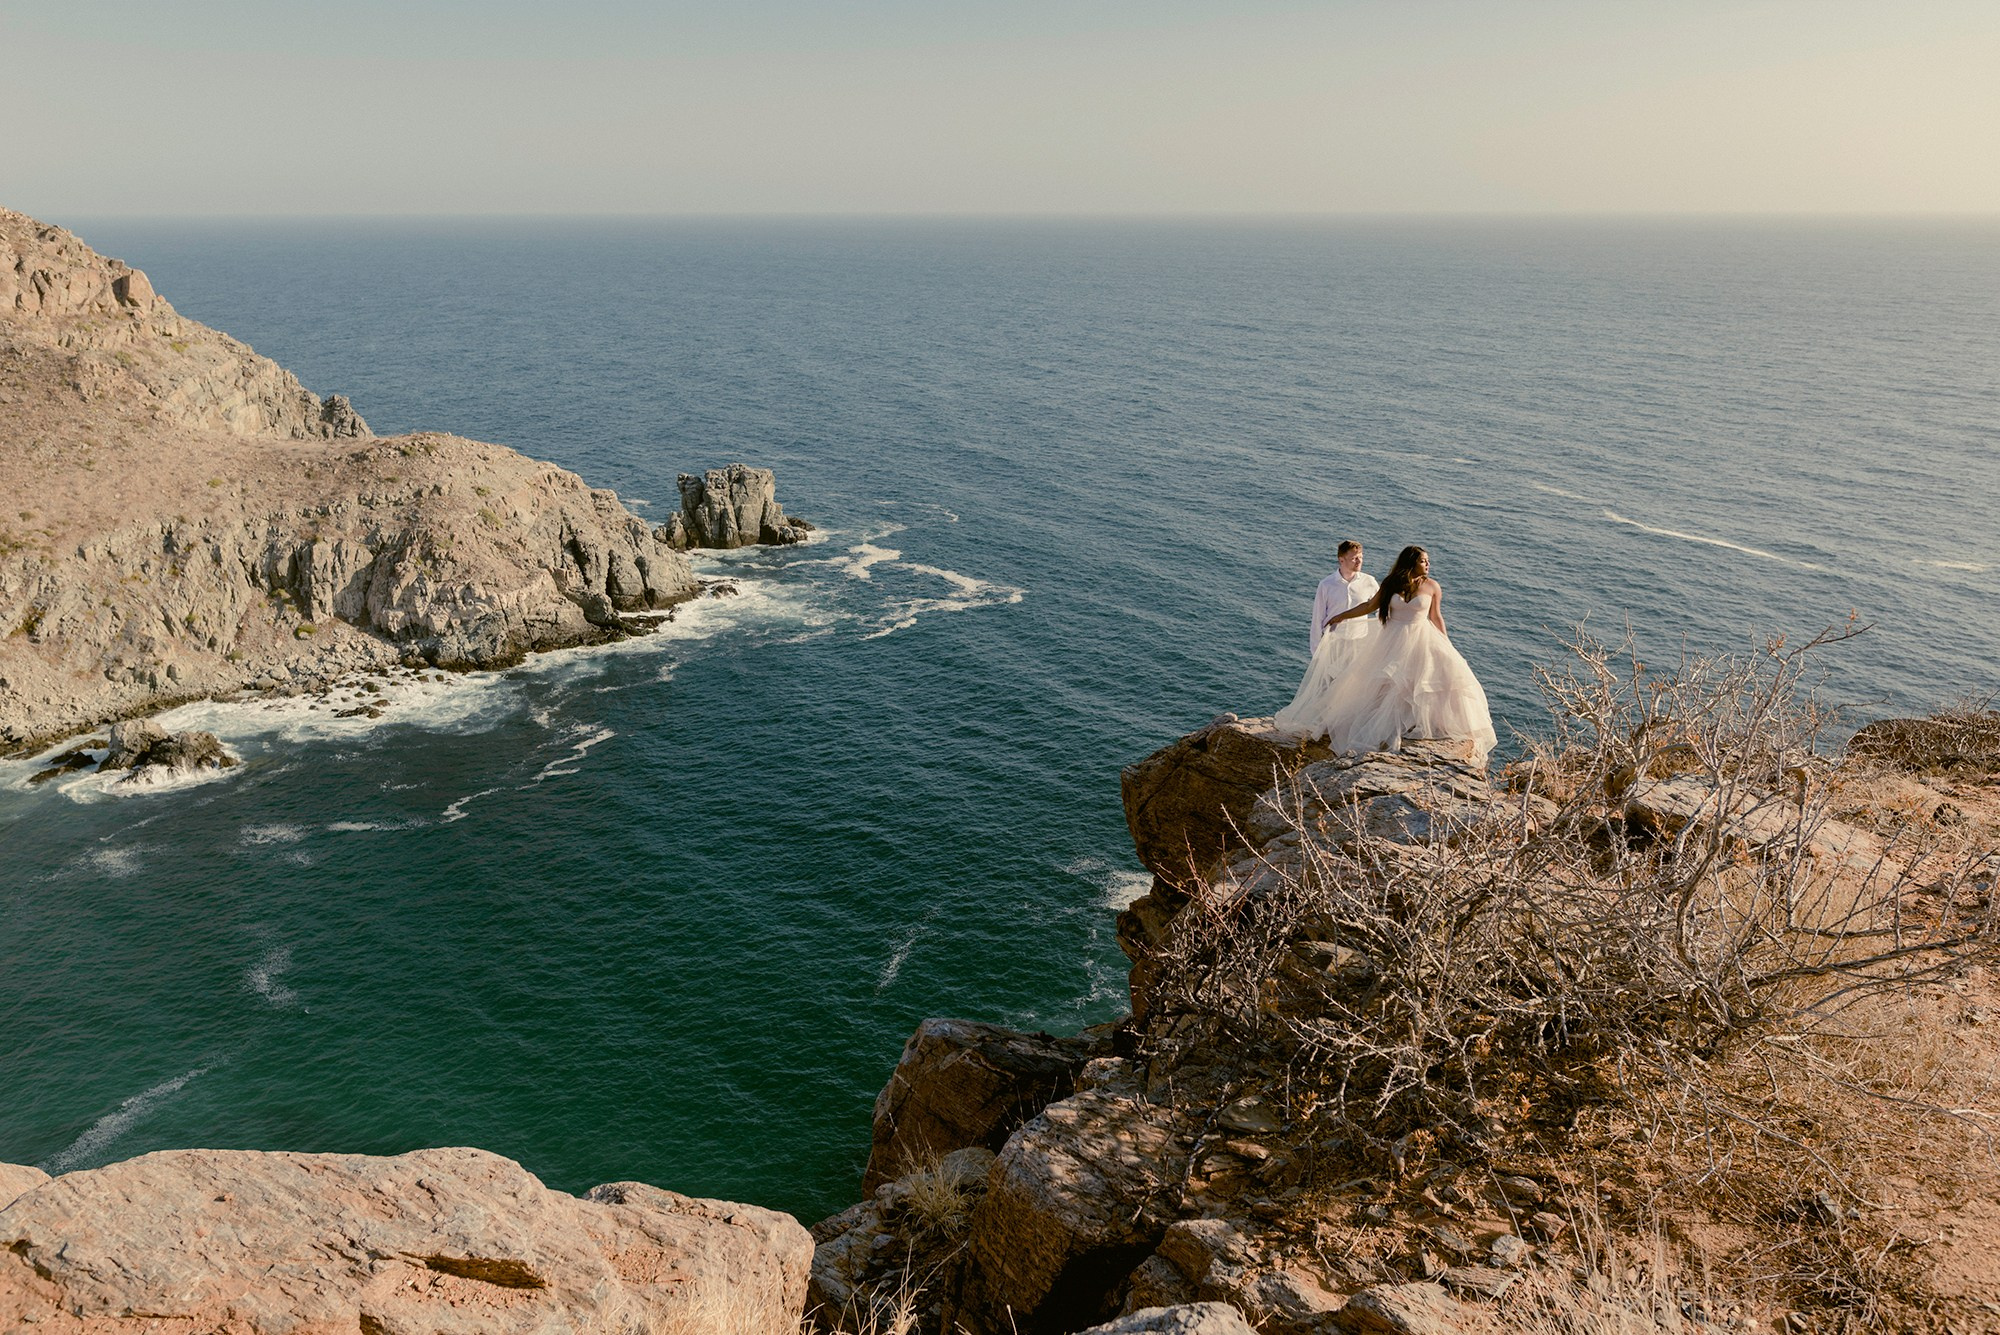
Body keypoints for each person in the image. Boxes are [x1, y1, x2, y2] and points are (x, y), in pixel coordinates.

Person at [1306, 545, 1498, 762]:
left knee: (1424, 682)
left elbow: (1436, 617)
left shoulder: (1432, 586)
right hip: (1391, 640)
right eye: (1423, 561)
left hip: (1422, 639)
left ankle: (1420, 725)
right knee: (1386, 684)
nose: (1428, 564)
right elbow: (1370, 605)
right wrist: (1341, 616)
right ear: (1411, 562)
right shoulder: (1391, 583)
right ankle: (1381, 728)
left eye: (1427, 561)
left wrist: (1446, 644)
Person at [1275, 540, 1378, 739]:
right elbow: (1317, 620)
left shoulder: (1370, 582)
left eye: (1361, 557)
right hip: (1334, 644)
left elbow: (1380, 609)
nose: (1359, 561)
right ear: (1341, 559)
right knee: (1330, 685)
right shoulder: (1327, 585)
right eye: (1354, 558)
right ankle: (1326, 725)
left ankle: (1347, 724)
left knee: (1354, 685)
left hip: (1360, 643)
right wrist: (1317, 652)